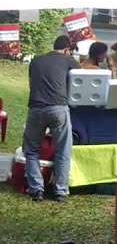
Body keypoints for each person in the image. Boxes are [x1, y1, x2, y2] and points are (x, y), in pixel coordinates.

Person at [23, 36, 78, 202]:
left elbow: (32, 83)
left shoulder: (36, 60)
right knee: (63, 150)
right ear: (68, 49)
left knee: (31, 150)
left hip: (36, 108)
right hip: (59, 108)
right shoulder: (69, 61)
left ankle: (36, 189)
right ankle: (60, 191)